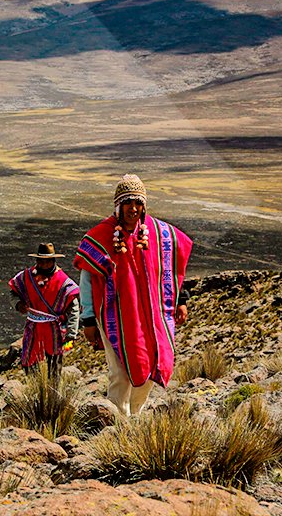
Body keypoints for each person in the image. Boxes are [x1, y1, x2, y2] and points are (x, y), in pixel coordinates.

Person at [75, 174, 193, 418]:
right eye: (128, 202)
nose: (133, 209)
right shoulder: (101, 235)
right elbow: (86, 280)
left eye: (138, 203)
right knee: (119, 372)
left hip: (152, 315)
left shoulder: (158, 234)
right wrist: (88, 319)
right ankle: (116, 419)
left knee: (153, 360)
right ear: (118, 205)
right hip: (113, 316)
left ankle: (135, 414)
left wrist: (180, 300)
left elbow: (171, 267)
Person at [8, 243, 80, 378]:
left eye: (47, 261)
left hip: (54, 330)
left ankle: (53, 394)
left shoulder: (64, 282)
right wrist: (18, 304)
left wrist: (71, 333)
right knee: (29, 362)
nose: (43, 264)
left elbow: (73, 308)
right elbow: (13, 292)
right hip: (33, 328)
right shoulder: (26, 277)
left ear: (53, 261)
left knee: (54, 365)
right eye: (40, 261)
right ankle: (35, 389)